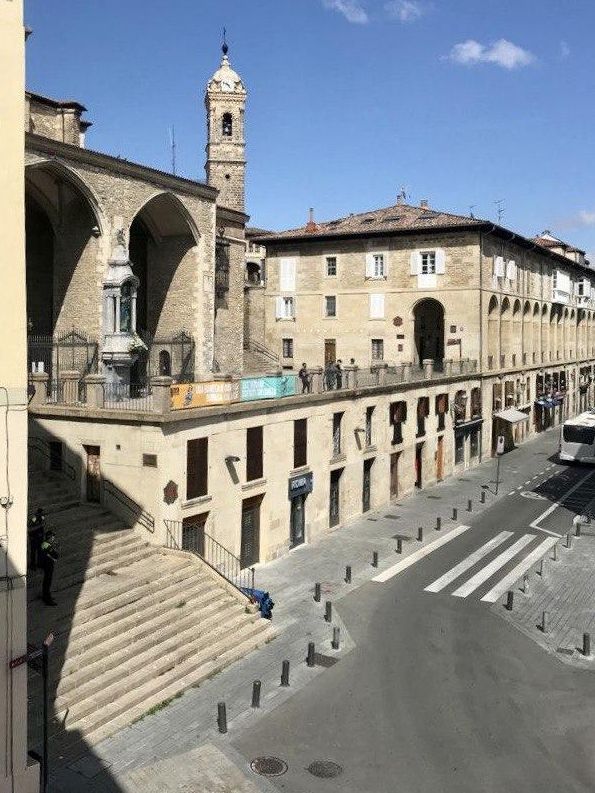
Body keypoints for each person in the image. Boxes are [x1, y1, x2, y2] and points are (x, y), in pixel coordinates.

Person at [40, 529, 59, 606]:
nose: (53, 538)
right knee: (47, 581)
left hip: (46, 564)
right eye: (52, 537)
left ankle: (46, 595)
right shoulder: (47, 545)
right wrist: (54, 549)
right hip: (48, 565)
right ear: (49, 537)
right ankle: (47, 598)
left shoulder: (45, 544)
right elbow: (56, 555)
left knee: (47, 581)